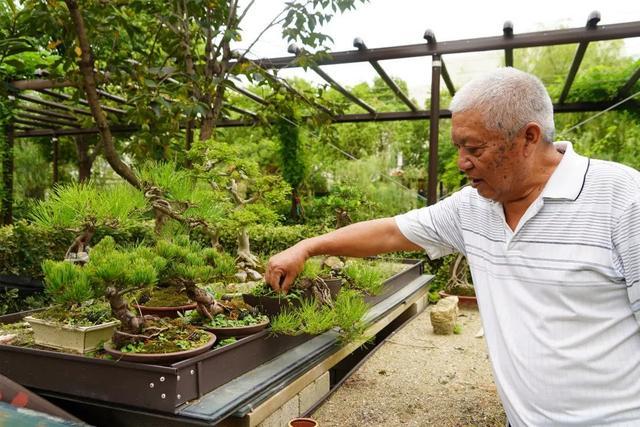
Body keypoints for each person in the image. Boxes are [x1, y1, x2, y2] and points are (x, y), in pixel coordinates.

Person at [265, 67, 640, 426]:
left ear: (528, 137)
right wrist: (308, 246)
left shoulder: (623, 199)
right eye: (458, 146)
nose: (462, 162)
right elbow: (392, 232)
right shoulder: (473, 207)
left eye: (474, 148)